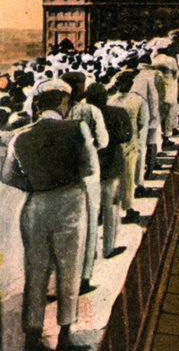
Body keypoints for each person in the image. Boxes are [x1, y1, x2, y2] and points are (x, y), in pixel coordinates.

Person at [1, 79, 96, 351]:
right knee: (69, 270)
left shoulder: (21, 136)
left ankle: (33, 338)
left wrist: (34, 184)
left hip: (36, 206)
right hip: (70, 203)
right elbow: (89, 167)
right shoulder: (77, 129)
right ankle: (65, 336)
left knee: (36, 273)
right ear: (64, 102)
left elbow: (9, 176)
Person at [61, 71, 108, 294]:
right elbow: (103, 141)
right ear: (82, 87)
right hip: (88, 175)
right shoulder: (91, 110)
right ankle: (84, 278)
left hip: (61, 175)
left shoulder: (57, 113)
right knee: (88, 226)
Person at [85, 82, 129, 258]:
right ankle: (108, 248)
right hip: (111, 168)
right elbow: (127, 135)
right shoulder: (117, 113)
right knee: (111, 210)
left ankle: (90, 251)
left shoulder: (82, 118)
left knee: (91, 213)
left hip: (90, 170)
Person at [108, 71, 148, 224]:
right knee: (128, 177)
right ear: (131, 84)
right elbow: (142, 122)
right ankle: (128, 209)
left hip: (114, 142)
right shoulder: (138, 100)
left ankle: (112, 210)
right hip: (130, 141)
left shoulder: (111, 101)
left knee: (114, 178)